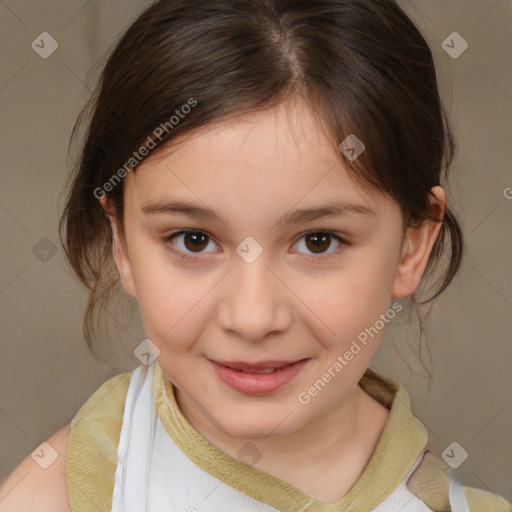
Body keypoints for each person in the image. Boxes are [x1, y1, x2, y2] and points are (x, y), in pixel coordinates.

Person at [1, 0, 510, 510]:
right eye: (193, 240)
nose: (252, 317)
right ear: (122, 242)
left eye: (318, 241)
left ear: (412, 244)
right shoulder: (56, 495)